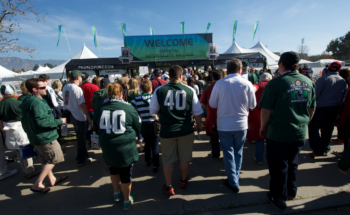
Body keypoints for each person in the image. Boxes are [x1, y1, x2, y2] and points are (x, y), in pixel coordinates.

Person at [259, 52, 316, 212]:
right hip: (298, 132)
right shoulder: (309, 82)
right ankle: (291, 191)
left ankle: (278, 196)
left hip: (278, 133)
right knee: (293, 163)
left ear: (282, 64)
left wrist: (262, 127)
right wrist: (304, 123)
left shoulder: (276, 83)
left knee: (279, 166)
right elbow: (312, 108)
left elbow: (265, 110)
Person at [150, 65, 203, 196]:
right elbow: (197, 113)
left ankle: (169, 186)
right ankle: (183, 180)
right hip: (185, 129)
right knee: (184, 158)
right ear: (181, 76)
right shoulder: (189, 90)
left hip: (167, 131)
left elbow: (152, 111)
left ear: (168, 76)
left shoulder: (159, 90)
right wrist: (199, 125)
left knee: (167, 159)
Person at [209, 59, 256, 193]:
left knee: (229, 153)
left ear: (227, 70)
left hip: (225, 125)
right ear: (240, 69)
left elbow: (212, 104)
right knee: (238, 152)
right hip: (241, 124)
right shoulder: (247, 83)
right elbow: (253, 105)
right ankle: (234, 177)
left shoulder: (219, 84)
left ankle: (233, 180)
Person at [93, 83, 141, 210]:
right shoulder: (129, 108)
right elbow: (138, 126)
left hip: (107, 145)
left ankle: (116, 193)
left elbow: (96, 128)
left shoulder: (100, 108)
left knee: (113, 168)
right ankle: (126, 200)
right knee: (126, 173)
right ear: (121, 94)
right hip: (124, 146)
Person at [21, 78, 67, 193]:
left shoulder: (28, 100)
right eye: (42, 87)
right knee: (54, 159)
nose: (45, 89)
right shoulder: (36, 103)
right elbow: (42, 122)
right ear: (34, 89)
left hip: (36, 137)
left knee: (44, 160)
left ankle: (52, 179)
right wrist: (60, 122)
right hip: (45, 137)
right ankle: (38, 183)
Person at [0, 84, 41, 179]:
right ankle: (29, 170)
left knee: (18, 152)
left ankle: (25, 170)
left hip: (8, 130)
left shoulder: (1, 104)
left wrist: (3, 133)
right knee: (26, 150)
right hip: (20, 129)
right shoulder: (18, 104)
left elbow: (0, 122)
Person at [309, 61, 347, 157]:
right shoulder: (343, 81)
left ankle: (318, 149)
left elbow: (315, 95)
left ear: (329, 68)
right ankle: (325, 147)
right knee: (328, 128)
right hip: (334, 108)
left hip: (320, 107)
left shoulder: (323, 79)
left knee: (313, 127)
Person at [62, 70, 92, 167]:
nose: (82, 78)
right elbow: (82, 105)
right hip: (79, 116)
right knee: (81, 139)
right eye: (81, 77)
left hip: (72, 115)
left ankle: (84, 155)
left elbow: (66, 102)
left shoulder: (66, 87)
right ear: (78, 78)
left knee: (80, 138)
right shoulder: (77, 89)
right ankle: (81, 159)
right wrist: (88, 118)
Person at [131, 79, 160, 172]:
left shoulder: (136, 99)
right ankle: (156, 164)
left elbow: (131, 108)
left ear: (141, 89)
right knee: (155, 145)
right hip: (154, 123)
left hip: (143, 124)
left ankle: (148, 159)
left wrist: (138, 114)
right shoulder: (154, 98)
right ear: (151, 88)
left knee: (147, 143)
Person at [246, 73, 273, 165]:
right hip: (273, 114)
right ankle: (271, 159)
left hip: (259, 115)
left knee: (259, 139)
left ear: (260, 79)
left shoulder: (258, 85)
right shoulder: (273, 85)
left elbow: (252, 89)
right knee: (272, 139)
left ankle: (259, 158)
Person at [200, 70, 222, 158]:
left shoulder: (208, 88)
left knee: (214, 137)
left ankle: (215, 154)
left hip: (212, 116)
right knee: (226, 137)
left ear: (212, 78)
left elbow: (202, 103)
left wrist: (208, 108)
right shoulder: (226, 87)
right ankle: (228, 156)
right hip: (225, 116)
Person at [80, 72, 99, 148]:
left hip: (84, 111)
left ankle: (90, 143)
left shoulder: (79, 88)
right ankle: (96, 143)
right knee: (97, 127)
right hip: (94, 110)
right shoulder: (94, 87)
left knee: (88, 129)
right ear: (89, 79)